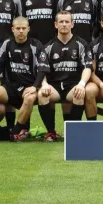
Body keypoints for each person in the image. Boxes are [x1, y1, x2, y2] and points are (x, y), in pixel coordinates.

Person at [0, 16, 49, 142]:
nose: (21, 31)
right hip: (10, 88)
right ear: (12, 29)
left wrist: (35, 86)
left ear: (28, 29)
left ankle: (15, 132)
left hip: (29, 87)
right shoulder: (7, 44)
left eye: (23, 28)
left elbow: (42, 69)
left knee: (30, 98)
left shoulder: (36, 45)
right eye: (18, 28)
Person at [38, 11, 92, 139]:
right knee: (41, 95)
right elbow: (42, 69)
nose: (64, 24)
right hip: (55, 86)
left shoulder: (82, 44)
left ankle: (72, 133)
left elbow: (88, 67)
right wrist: (44, 84)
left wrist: (81, 84)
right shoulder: (48, 46)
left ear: (72, 24)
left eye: (67, 22)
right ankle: (51, 132)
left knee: (79, 93)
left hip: (73, 85)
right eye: (61, 22)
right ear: (55, 25)